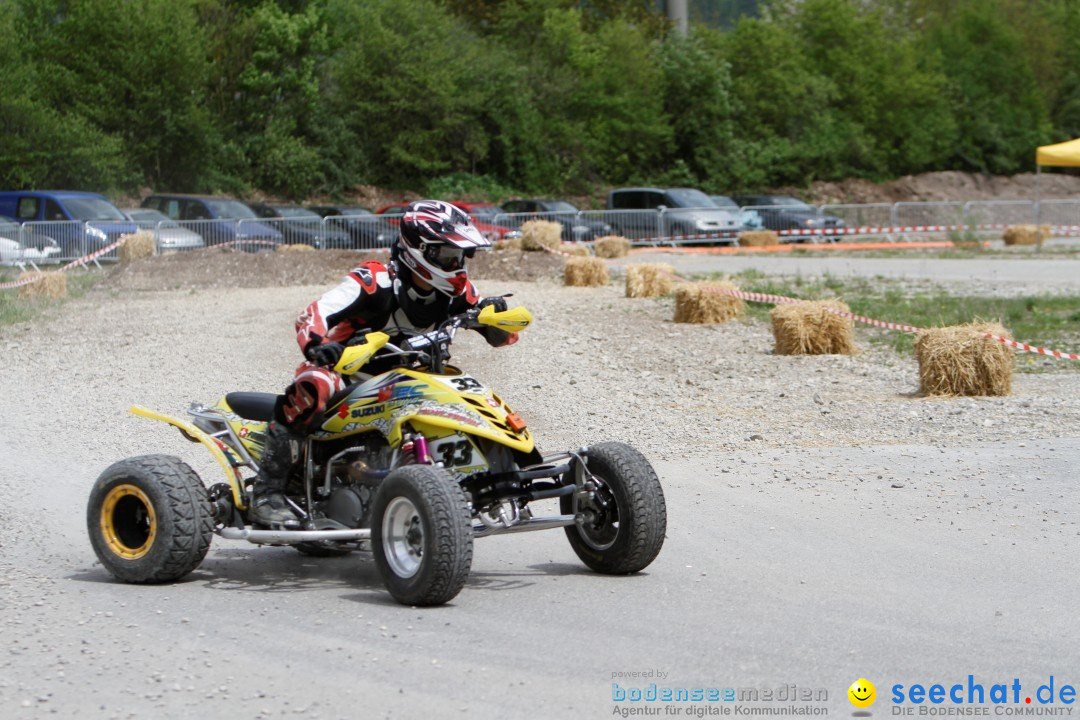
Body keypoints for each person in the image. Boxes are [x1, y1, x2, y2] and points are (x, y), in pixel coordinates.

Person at [249, 199, 518, 528]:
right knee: (314, 385)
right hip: (346, 375)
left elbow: (500, 336)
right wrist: (318, 344)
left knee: (466, 398)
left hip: (409, 381)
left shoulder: (458, 292)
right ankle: (267, 493)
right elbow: (315, 313)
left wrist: (496, 319)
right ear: (419, 249)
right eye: (448, 256)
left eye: (460, 256)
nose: (457, 265)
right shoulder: (374, 281)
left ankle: (488, 483)